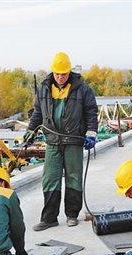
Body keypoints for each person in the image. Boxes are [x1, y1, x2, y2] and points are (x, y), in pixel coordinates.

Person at [25, 52, 98, 230]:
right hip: (53, 140)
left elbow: (90, 112)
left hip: (73, 139)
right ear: (53, 71)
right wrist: (30, 131)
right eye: (57, 73)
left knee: (73, 178)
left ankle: (72, 214)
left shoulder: (82, 88)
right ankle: (49, 218)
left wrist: (91, 133)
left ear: (69, 71)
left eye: (63, 73)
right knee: (50, 178)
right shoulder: (44, 89)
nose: (60, 77)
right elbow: (38, 113)